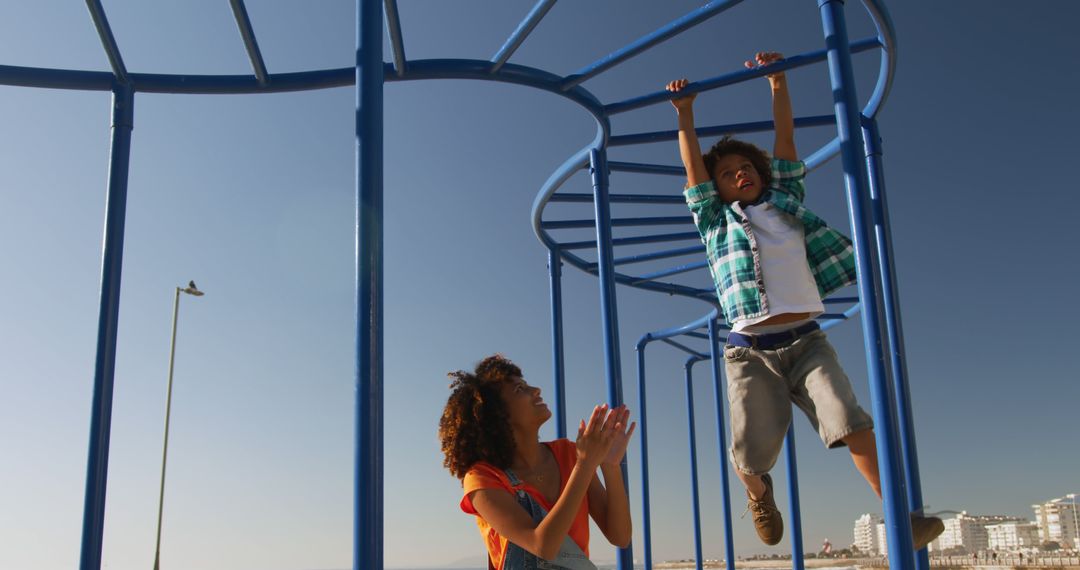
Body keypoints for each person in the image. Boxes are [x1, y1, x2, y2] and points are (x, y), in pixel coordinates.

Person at [665, 51, 944, 550]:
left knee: (848, 418)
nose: (740, 174)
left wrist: (778, 83)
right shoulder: (713, 222)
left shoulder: (786, 201)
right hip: (750, 353)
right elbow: (692, 168)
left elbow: (786, 139)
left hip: (807, 343)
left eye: (746, 167)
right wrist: (685, 115)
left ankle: (899, 515)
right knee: (751, 453)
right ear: (717, 188)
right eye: (728, 173)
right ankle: (758, 495)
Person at [439, 355, 635, 570]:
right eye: (519, 389)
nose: (536, 390)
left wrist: (610, 465)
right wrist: (585, 465)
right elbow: (542, 546)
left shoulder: (569, 454)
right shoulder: (481, 478)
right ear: (497, 414)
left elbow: (620, 536)